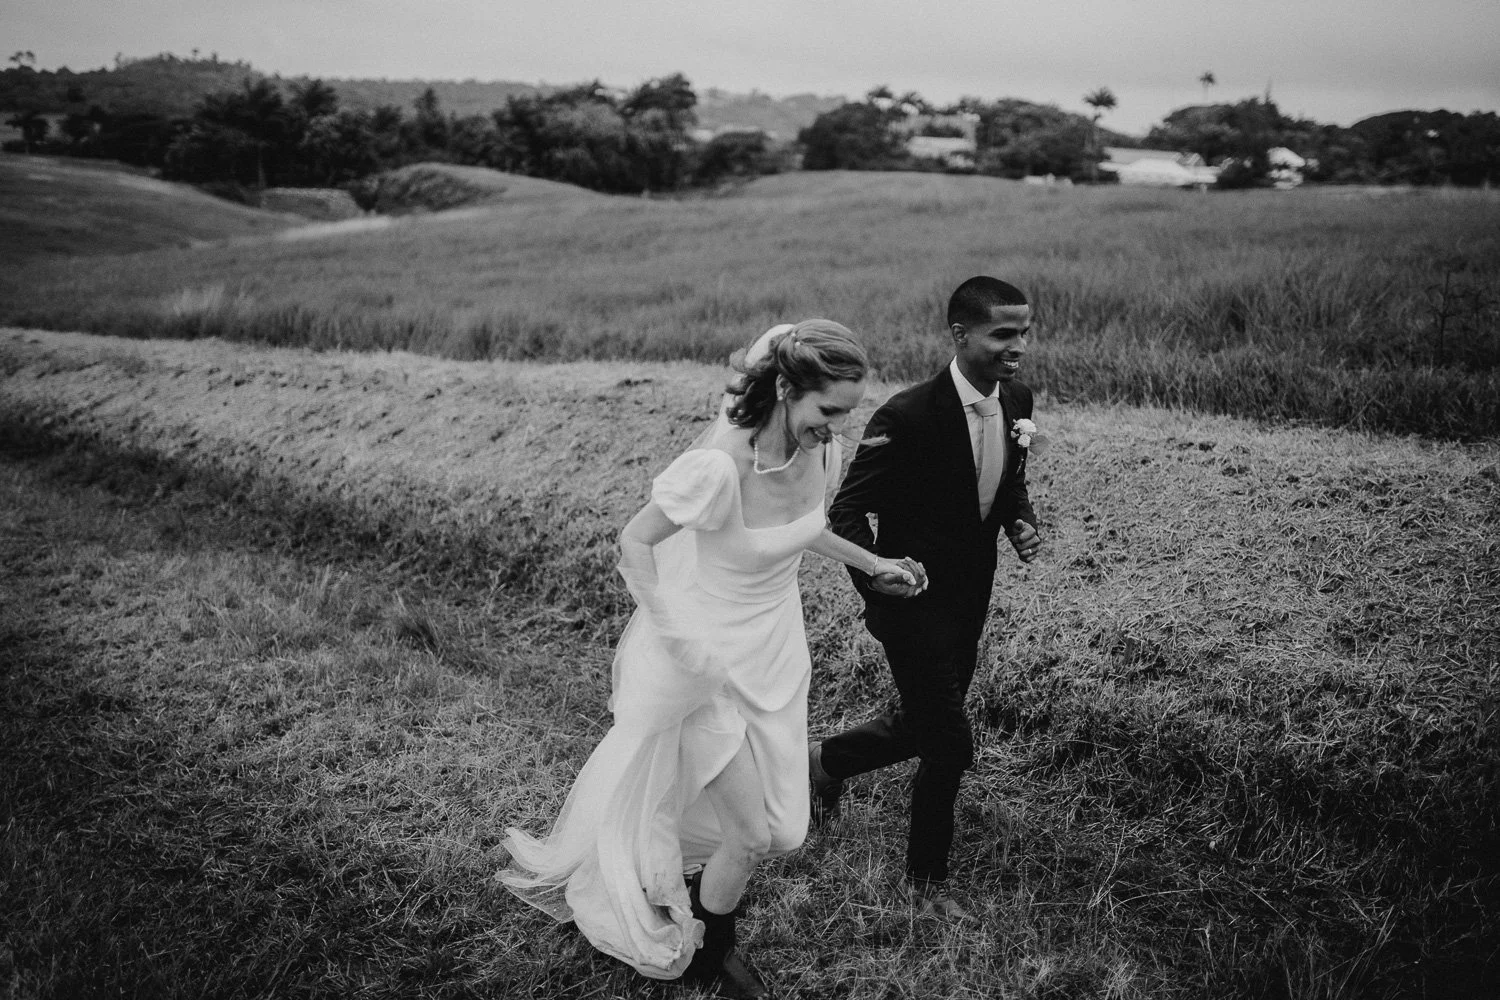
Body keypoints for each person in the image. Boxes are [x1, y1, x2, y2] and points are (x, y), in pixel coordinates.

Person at [500, 319, 927, 999]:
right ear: (785, 389)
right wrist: (676, 638)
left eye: (847, 413)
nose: (837, 428)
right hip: (705, 666)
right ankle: (710, 954)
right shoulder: (719, 469)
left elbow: (805, 528)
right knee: (752, 836)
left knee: (786, 829)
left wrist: (873, 563)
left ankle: (687, 871)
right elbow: (635, 541)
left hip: (775, 655)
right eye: (828, 410)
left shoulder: (822, 454)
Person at [810, 276, 1041, 921]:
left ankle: (822, 763)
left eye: (1024, 332)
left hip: (971, 599)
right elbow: (847, 512)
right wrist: (876, 574)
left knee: (926, 722)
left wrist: (1019, 519)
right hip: (910, 607)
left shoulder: (1018, 398)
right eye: (1003, 333)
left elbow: (1005, 480)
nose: (1017, 346)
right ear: (960, 335)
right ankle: (926, 883)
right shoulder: (906, 416)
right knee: (949, 741)